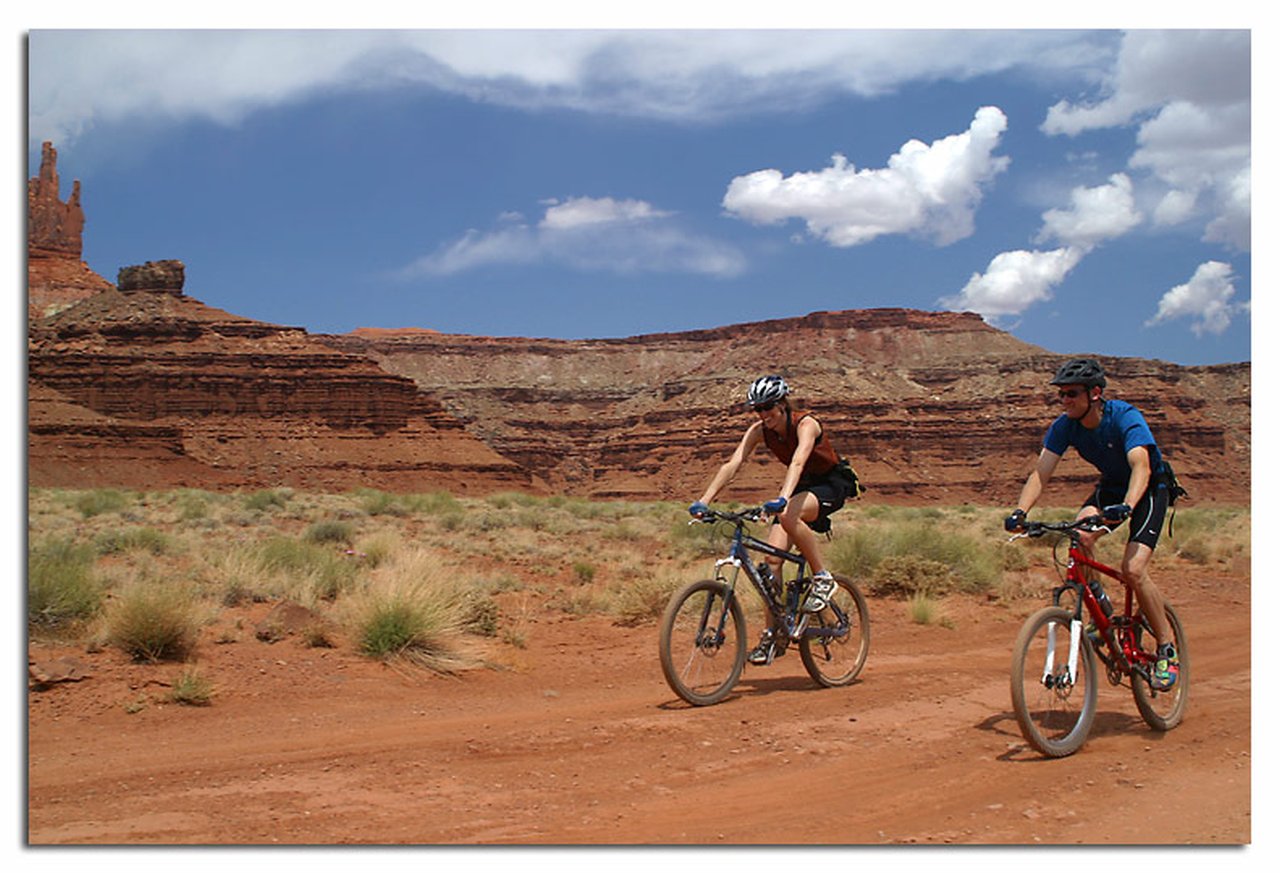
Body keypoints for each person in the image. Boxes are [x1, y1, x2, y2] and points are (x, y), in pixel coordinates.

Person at [1004, 358, 1179, 690]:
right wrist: (1020, 512)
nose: (1065, 400)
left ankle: (1167, 647)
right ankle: (1100, 604)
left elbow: (1140, 465)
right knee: (1080, 536)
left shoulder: (1125, 417)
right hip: (1112, 488)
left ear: (1095, 393)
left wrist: (1127, 506)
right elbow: (1041, 473)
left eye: (1071, 393)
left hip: (1150, 489)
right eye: (1061, 395)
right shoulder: (1064, 426)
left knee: (1134, 569)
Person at [688, 375, 861, 666]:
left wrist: (782, 498)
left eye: (768, 407)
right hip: (799, 490)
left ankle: (822, 578)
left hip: (831, 485)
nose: (763, 414)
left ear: (782, 404)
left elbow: (798, 461)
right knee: (771, 565)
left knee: (786, 512)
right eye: (758, 409)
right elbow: (732, 464)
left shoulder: (807, 424)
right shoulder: (759, 431)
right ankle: (772, 637)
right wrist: (704, 500)